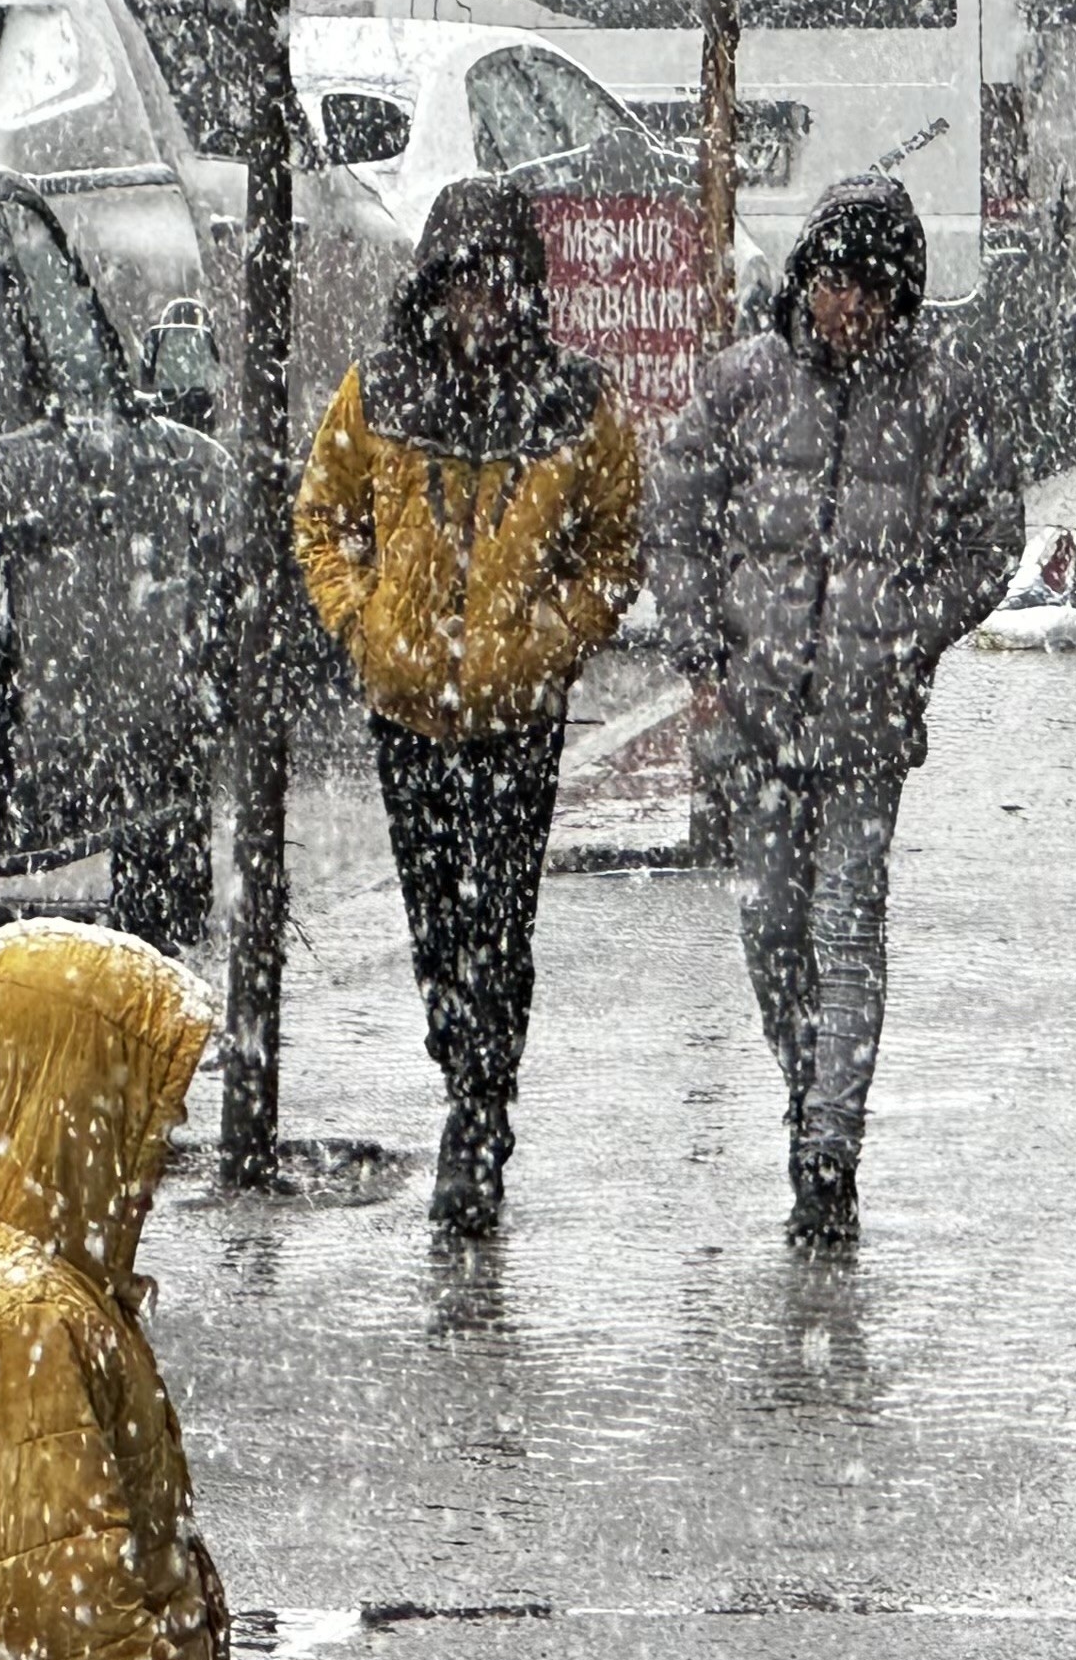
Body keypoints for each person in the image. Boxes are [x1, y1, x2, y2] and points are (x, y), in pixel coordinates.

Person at [648, 174, 1019, 1247]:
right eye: (830, 280)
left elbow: (991, 534)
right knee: (772, 924)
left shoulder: (940, 396)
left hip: (866, 722)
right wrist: (705, 653)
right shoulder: (742, 386)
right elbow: (677, 514)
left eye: (867, 286)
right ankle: (807, 1088)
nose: (845, 304)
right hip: (757, 715)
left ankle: (829, 1150)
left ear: (899, 296)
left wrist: (911, 629)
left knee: (847, 924)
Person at [295, 177, 643, 1236]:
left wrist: (552, 637)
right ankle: (464, 1068)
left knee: (500, 923)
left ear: (523, 291)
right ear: (434, 290)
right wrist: (363, 624)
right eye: (460, 287)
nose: (478, 308)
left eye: (494, 288)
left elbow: (614, 546)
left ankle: (481, 1109)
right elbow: (324, 517)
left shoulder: (575, 406)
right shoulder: (381, 392)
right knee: (438, 925)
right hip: (407, 711)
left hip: (517, 716)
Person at [0, 920, 243, 1660]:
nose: (161, 1149)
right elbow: (81, 1648)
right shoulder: (22, 1319)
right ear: (71, 1103)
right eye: (146, 1116)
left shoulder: (15, 1253)